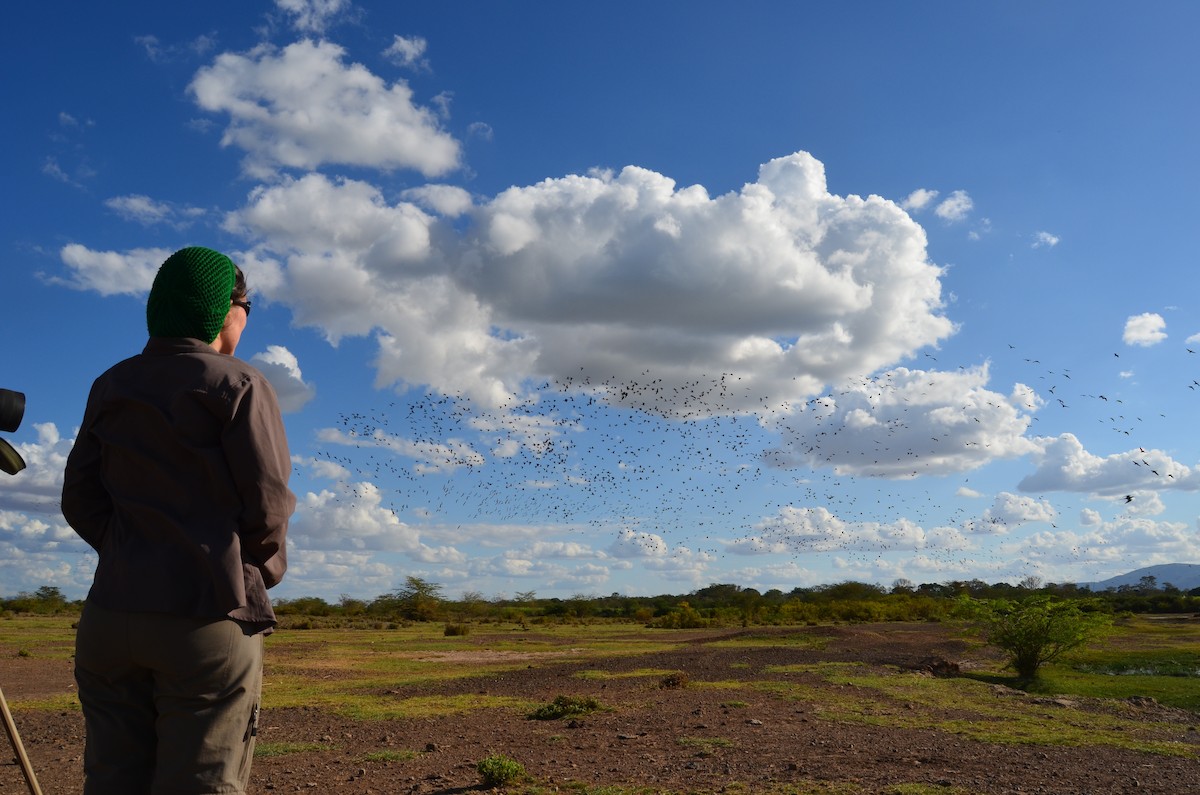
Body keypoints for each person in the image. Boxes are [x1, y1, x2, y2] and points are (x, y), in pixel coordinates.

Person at [62, 246, 296, 795]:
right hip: (207, 613)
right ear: (224, 311)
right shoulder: (239, 383)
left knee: (112, 779)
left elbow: (79, 497)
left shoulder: (112, 383)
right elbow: (268, 505)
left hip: (110, 617)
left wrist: (127, 549)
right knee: (202, 781)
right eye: (246, 307)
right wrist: (248, 570)